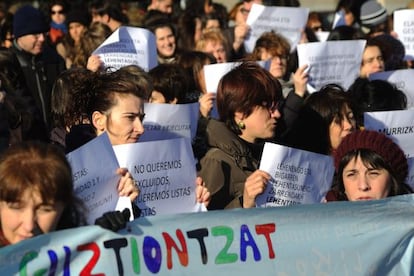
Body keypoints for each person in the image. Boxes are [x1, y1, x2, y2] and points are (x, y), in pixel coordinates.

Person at [198, 62, 282, 210]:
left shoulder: (273, 151)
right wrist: (245, 203)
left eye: (276, 106)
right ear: (240, 112)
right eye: (268, 106)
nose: (276, 114)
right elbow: (207, 225)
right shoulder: (216, 161)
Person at [0, 141, 86, 247]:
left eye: (45, 209)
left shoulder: (85, 255)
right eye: (16, 207)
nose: (29, 225)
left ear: (64, 207)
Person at [11, 5, 66, 134]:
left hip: (56, 139)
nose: (42, 38)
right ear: (20, 36)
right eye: (35, 34)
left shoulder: (54, 60)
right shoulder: (8, 66)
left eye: (43, 33)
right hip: (26, 143)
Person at [326, 130, 413, 201]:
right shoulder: (323, 219)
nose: (363, 186)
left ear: (392, 180)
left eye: (373, 173)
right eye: (351, 174)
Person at [281, 84, 356, 155]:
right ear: (320, 128)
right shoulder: (302, 163)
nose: (349, 126)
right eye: (338, 121)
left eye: (351, 117)